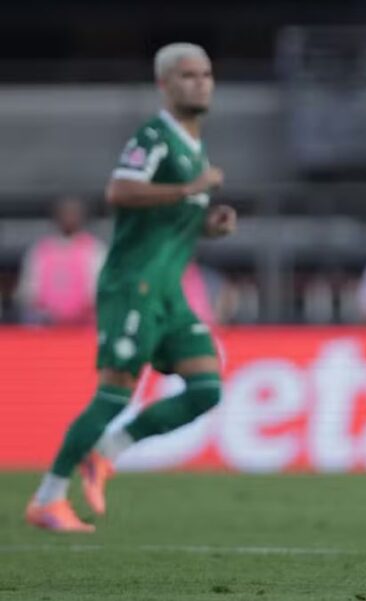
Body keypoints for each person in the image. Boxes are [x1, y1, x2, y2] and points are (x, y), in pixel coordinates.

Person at [26, 43, 235, 532]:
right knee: (114, 394)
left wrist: (210, 223)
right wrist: (189, 190)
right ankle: (47, 499)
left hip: (169, 293)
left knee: (206, 388)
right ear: (165, 84)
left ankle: (106, 452)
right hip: (131, 285)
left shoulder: (194, 147)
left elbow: (171, 219)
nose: (199, 83)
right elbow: (120, 190)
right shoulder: (154, 137)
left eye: (205, 74)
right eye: (187, 75)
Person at [15, 196, 106, 326]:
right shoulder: (40, 252)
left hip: (84, 327)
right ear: (56, 218)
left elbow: (99, 290)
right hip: (47, 326)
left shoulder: (95, 250)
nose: (69, 218)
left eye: (73, 214)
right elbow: (29, 291)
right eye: (65, 214)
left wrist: (80, 311)